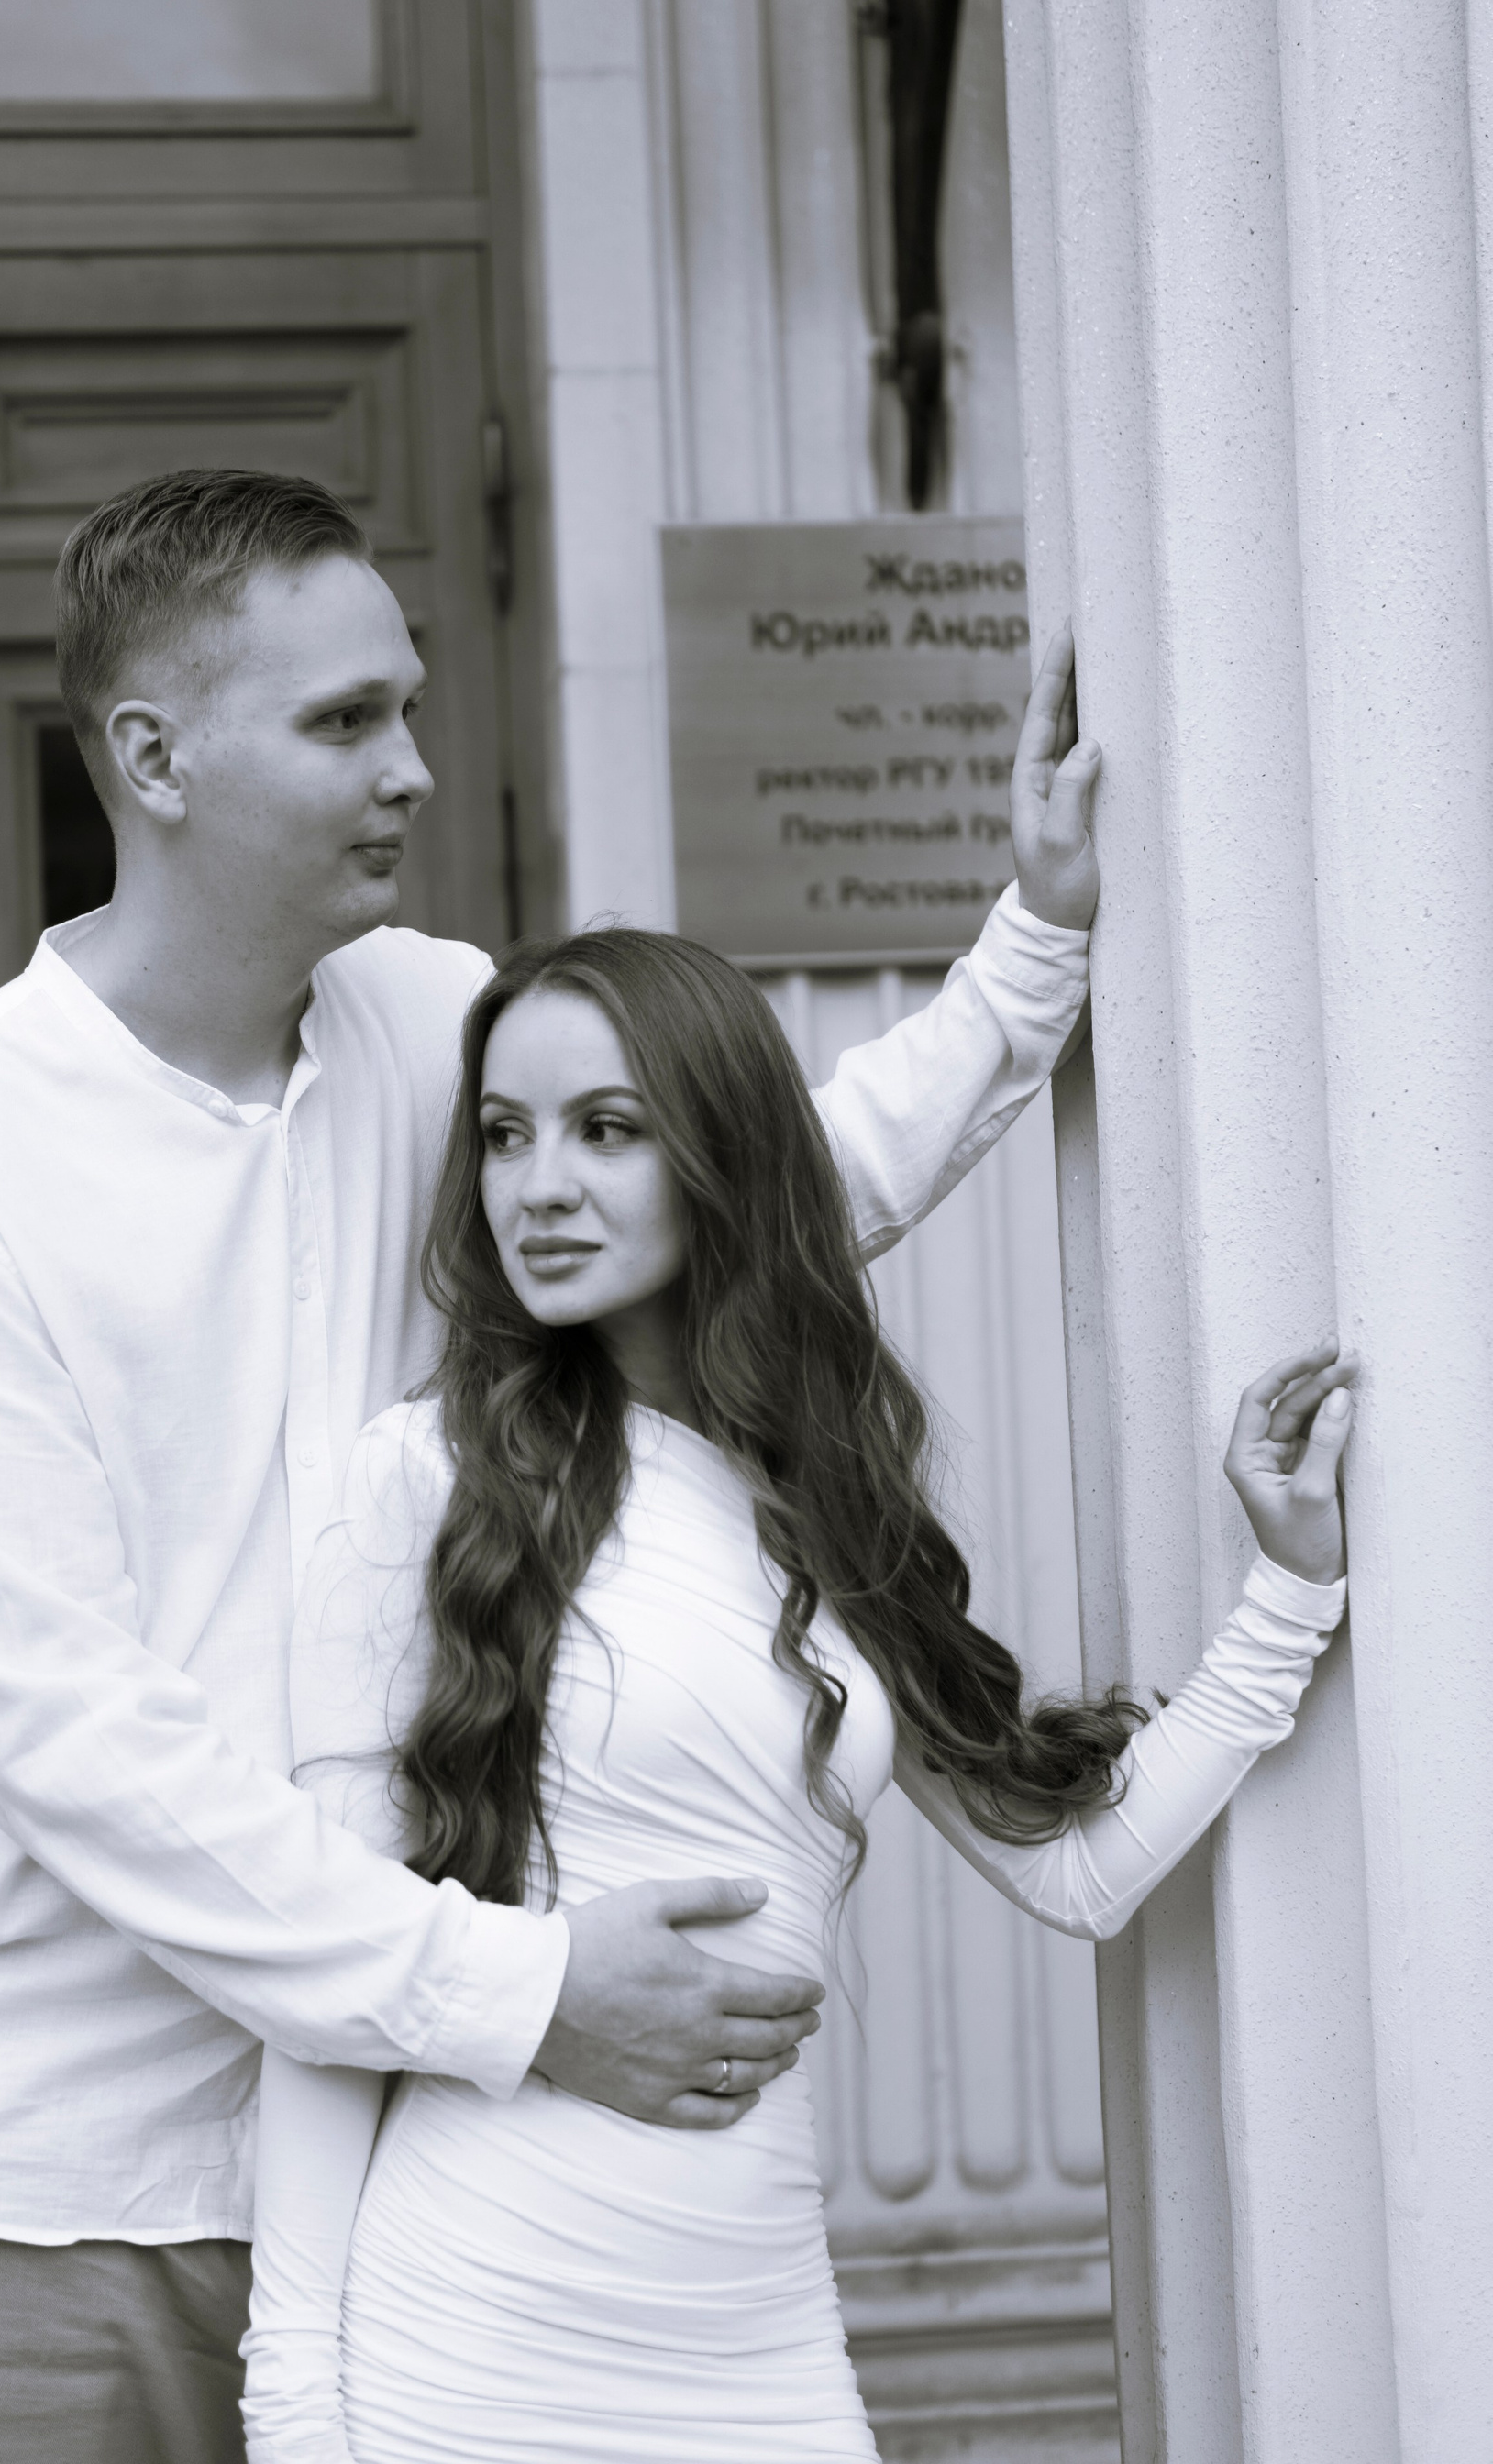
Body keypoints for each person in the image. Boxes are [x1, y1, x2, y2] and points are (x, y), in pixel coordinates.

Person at [0, 468, 1100, 2462]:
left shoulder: (423, 1020)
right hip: (37, 2198)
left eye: (406, 706)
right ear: (152, 758)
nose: (409, 766)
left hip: (391, 2173)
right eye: (342, 722)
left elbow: (726, 1195)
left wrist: (1031, 954)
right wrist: (521, 1990)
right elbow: (77, 1736)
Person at [243, 928, 1357, 2463]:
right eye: (503, 1135)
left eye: (606, 1130)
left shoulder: (819, 1503)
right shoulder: (422, 1476)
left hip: (760, 2339)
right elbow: (333, 1977)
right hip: (471, 2341)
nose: (538, 1186)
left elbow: (1081, 1870)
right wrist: (293, 2414)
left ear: (723, 1153)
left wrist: (1290, 1597)